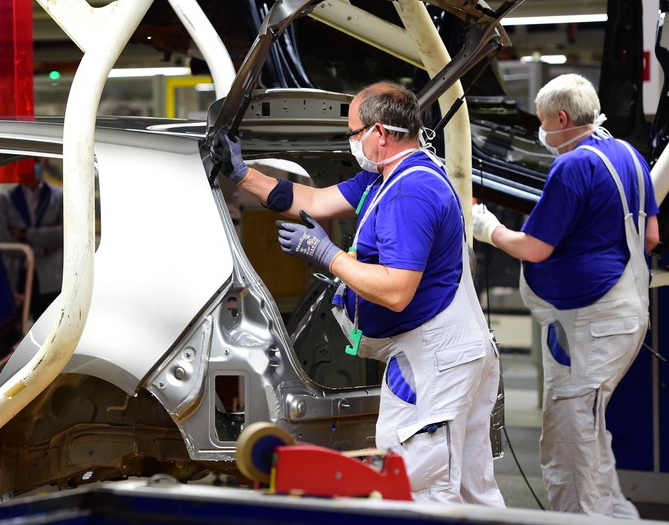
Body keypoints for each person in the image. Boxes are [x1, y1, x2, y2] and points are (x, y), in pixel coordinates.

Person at [212, 81, 505, 506]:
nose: (350, 142)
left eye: (352, 133)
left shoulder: (409, 191)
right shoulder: (386, 178)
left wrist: (327, 254)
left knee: (420, 485)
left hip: (433, 359)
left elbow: (396, 290)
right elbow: (311, 199)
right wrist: (243, 174)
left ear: (379, 134)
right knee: (471, 488)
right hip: (454, 351)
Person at [471, 73, 659, 518]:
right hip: (624, 314)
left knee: (570, 441)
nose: (542, 132)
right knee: (589, 431)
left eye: (541, 122)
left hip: (590, 325)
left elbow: (535, 247)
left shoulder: (574, 165)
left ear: (560, 117)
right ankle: (615, 517)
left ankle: (577, 521)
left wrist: (489, 229)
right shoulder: (628, 155)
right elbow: (650, 235)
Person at [0, 158, 64, 324]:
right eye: (24, 161)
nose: (31, 167)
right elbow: (2, 241)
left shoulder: (61, 198)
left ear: (44, 163)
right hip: (15, 278)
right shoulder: (2, 202)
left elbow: (66, 234)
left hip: (51, 281)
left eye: (36, 161)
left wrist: (24, 233)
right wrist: (40, 249)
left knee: (49, 333)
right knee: (12, 338)